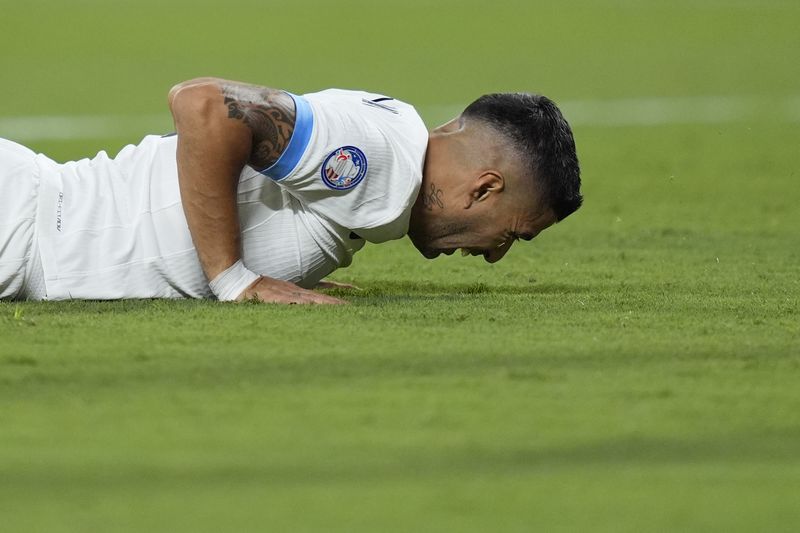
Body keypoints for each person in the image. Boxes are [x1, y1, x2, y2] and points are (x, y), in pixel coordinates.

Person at [0, 78, 582, 304]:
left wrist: (275, 263)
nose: (495, 256)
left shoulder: (391, 155)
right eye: (512, 234)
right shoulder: (382, 162)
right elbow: (204, 106)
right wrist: (235, 278)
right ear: (484, 189)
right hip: (21, 230)